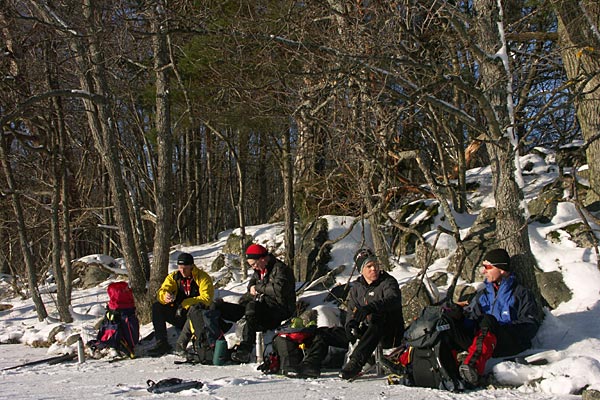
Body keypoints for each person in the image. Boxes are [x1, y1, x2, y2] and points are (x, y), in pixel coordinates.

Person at [296, 248, 405, 380]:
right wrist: (351, 325)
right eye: (369, 266)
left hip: (388, 332)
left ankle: (355, 363)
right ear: (361, 270)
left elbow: (393, 299)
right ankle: (310, 365)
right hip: (365, 333)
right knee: (323, 333)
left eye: (375, 265)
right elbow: (351, 311)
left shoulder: (388, 282)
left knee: (377, 318)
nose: (374, 269)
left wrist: (370, 308)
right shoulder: (357, 288)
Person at [447, 248, 541, 386]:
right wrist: (459, 317)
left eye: (488, 267)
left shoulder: (520, 293)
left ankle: (472, 369)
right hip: (483, 341)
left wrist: (498, 328)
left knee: (489, 320)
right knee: (449, 320)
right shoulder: (483, 294)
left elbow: (530, 325)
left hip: (508, 342)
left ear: (502, 269)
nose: (484, 271)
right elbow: (472, 320)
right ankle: (435, 367)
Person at [217, 243, 296, 363]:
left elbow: (278, 289)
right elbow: (251, 284)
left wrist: (258, 288)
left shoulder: (281, 269)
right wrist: (253, 288)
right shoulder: (260, 269)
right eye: (251, 265)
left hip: (278, 310)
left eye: (254, 264)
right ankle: (216, 346)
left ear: (263, 259)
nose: (253, 267)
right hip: (260, 308)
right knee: (220, 307)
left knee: (252, 307)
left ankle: (245, 349)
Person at [147, 252, 214, 357]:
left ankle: (191, 342)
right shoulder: (174, 277)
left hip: (195, 317)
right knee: (157, 306)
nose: (182, 271)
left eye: (185, 268)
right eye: (180, 267)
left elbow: (207, 298)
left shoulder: (202, 278)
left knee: (195, 309)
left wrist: (185, 304)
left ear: (192, 266)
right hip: (178, 313)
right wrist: (165, 296)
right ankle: (161, 343)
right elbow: (163, 290)